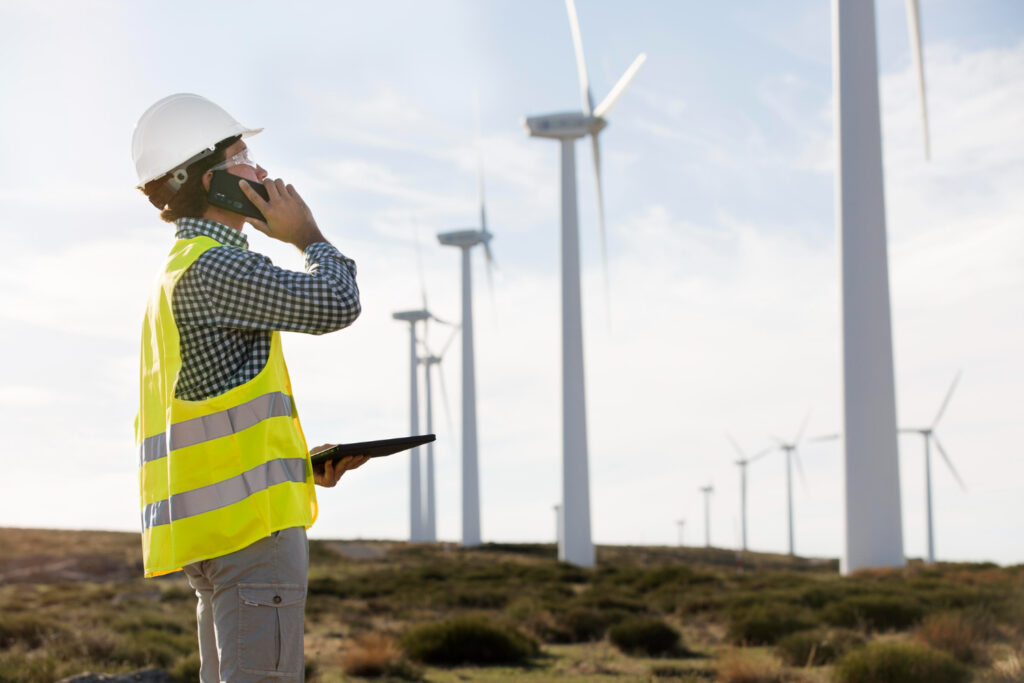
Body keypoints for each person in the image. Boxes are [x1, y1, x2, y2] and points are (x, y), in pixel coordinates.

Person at [132, 93, 366, 681]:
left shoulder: (178, 271)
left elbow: (212, 415)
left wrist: (297, 467)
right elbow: (338, 303)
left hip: (217, 543)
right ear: (207, 179)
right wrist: (307, 235)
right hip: (251, 545)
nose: (262, 171)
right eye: (243, 156)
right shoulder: (217, 268)